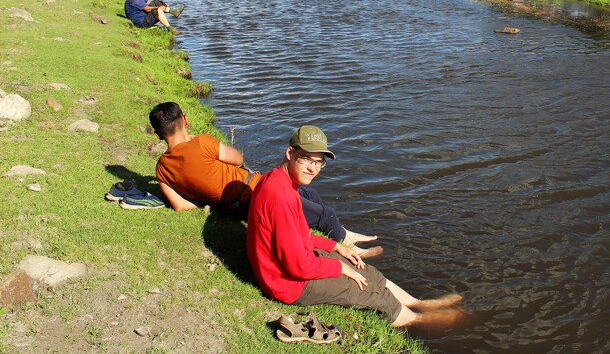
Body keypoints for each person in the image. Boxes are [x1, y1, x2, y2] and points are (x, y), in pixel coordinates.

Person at [246, 124, 466, 329]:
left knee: (363, 269)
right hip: (289, 284)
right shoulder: (280, 196)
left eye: (318, 162)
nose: (313, 168)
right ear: (290, 153)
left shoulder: (279, 180)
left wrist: (335, 246)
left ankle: (418, 303)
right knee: (370, 291)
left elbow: (296, 234)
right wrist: (340, 268)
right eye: (306, 160)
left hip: (291, 266)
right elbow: (298, 267)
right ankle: (419, 319)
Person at [149, 102, 379, 257]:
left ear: (159, 134)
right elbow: (238, 158)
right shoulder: (201, 142)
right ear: (185, 120)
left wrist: (209, 197)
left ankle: (344, 233)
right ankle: (347, 246)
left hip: (236, 208)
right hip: (255, 190)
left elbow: (179, 206)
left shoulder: (161, 169)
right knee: (322, 213)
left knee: (309, 194)